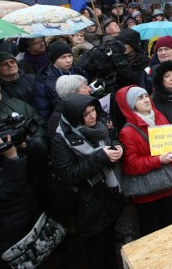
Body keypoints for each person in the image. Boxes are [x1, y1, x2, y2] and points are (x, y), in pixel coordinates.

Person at [51, 94, 124, 269]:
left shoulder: (100, 126)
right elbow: (68, 174)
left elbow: (111, 139)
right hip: (89, 203)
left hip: (110, 195)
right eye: (86, 114)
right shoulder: (62, 140)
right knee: (96, 249)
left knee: (109, 242)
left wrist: (118, 146)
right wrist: (101, 157)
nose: (93, 116)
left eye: (93, 110)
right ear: (75, 117)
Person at [0, 112, 52, 268]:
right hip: (8, 233)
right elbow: (8, 192)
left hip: (30, 218)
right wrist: (12, 157)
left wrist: (24, 145)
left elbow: (40, 157)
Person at [116, 86, 172, 236]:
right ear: (132, 105)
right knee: (150, 231)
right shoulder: (128, 132)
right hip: (147, 194)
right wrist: (158, 160)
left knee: (170, 227)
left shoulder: (159, 118)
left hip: (167, 186)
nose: (146, 100)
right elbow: (131, 165)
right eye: (140, 98)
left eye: (146, 95)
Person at [33, 41, 86, 121]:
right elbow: (43, 111)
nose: (68, 60)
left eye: (70, 56)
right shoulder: (44, 80)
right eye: (63, 57)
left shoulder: (78, 71)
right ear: (54, 59)